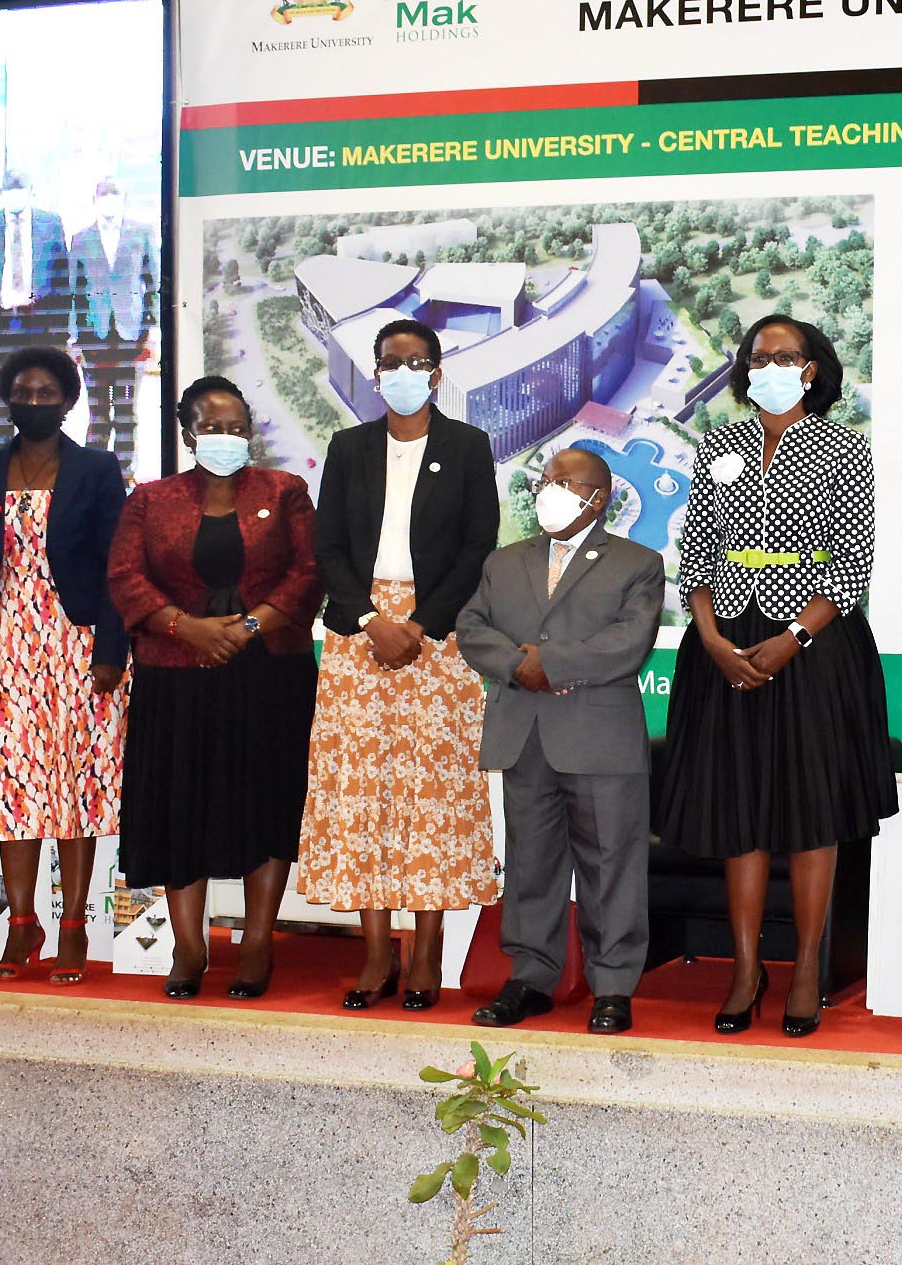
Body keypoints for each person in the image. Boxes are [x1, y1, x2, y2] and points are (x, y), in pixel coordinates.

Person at [658, 314, 898, 1038]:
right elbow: (697, 549)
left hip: (814, 646)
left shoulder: (843, 446)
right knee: (740, 813)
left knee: (811, 812)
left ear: (812, 369)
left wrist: (792, 638)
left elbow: (853, 564)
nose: (768, 366)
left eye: (784, 355)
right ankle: (742, 969)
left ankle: (806, 970)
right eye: (757, 356)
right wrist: (708, 637)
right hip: (725, 640)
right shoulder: (720, 443)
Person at [299, 319, 500, 1012]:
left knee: (431, 796)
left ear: (437, 373)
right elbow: (327, 547)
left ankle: (428, 955)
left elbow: (479, 546)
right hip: (359, 636)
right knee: (363, 797)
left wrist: (418, 625)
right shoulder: (349, 447)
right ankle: (377, 954)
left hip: (438, 638)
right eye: (392, 363)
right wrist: (369, 620)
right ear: (376, 374)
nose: (405, 373)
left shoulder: (468, 446)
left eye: (419, 362)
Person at [107, 377, 321, 999]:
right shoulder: (151, 498)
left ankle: (257, 942)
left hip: (268, 674)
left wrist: (249, 626)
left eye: (236, 427)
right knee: (180, 806)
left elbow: (309, 572)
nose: (226, 438)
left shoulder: (285, 492)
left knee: (265, 800)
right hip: (176, 677)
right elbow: (125, 575)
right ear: (187, 432)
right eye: (212, 427)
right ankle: (188, 945)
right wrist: (188, 629)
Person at [459, 447, 664, 1034]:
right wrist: (518, 666)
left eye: (564, 481)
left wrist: (551, 664)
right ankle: (530, 977)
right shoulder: (505, 561)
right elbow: (473, 627)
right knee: (530, 863)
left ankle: (613, 987)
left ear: (596, 498)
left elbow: (631, 640)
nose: (548, 489)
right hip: (525, 733)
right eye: (546, 479)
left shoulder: (637, 562)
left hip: (599, 735)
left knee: (611, 864)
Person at [0, 347, 129, 983]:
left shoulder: (99, 470)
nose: (36, 403)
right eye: (24, 392)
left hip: (75, 647)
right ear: (8, 400)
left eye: (48, 393)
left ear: (70, 400)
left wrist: (111, 651)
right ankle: (22, 924)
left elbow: (116, 568)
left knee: (76, 788)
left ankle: (73, 927)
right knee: (10, 791)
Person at [66, 178, 159, 460]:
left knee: (127, 411)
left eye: (114, 197)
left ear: (123, 200)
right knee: (98, 414)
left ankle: (125, 475)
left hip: (131, 336)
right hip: (93, 337)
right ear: (95, 202)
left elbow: (153, 284)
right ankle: (94, 476)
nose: (109, 203)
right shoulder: (81, 239)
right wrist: (73, 337)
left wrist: (152, 330)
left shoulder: (141, 233)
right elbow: (74, 290)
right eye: (103, 197)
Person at [0, 169, 66, 403]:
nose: (15, 197)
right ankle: (2, 440)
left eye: (21, 192)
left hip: (37, 321)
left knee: (36, 392)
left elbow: (62, 275)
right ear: (2, 194)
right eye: (10, 192)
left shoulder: (50, 223)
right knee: (0, 396)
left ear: (31, 194)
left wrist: (63, 325)